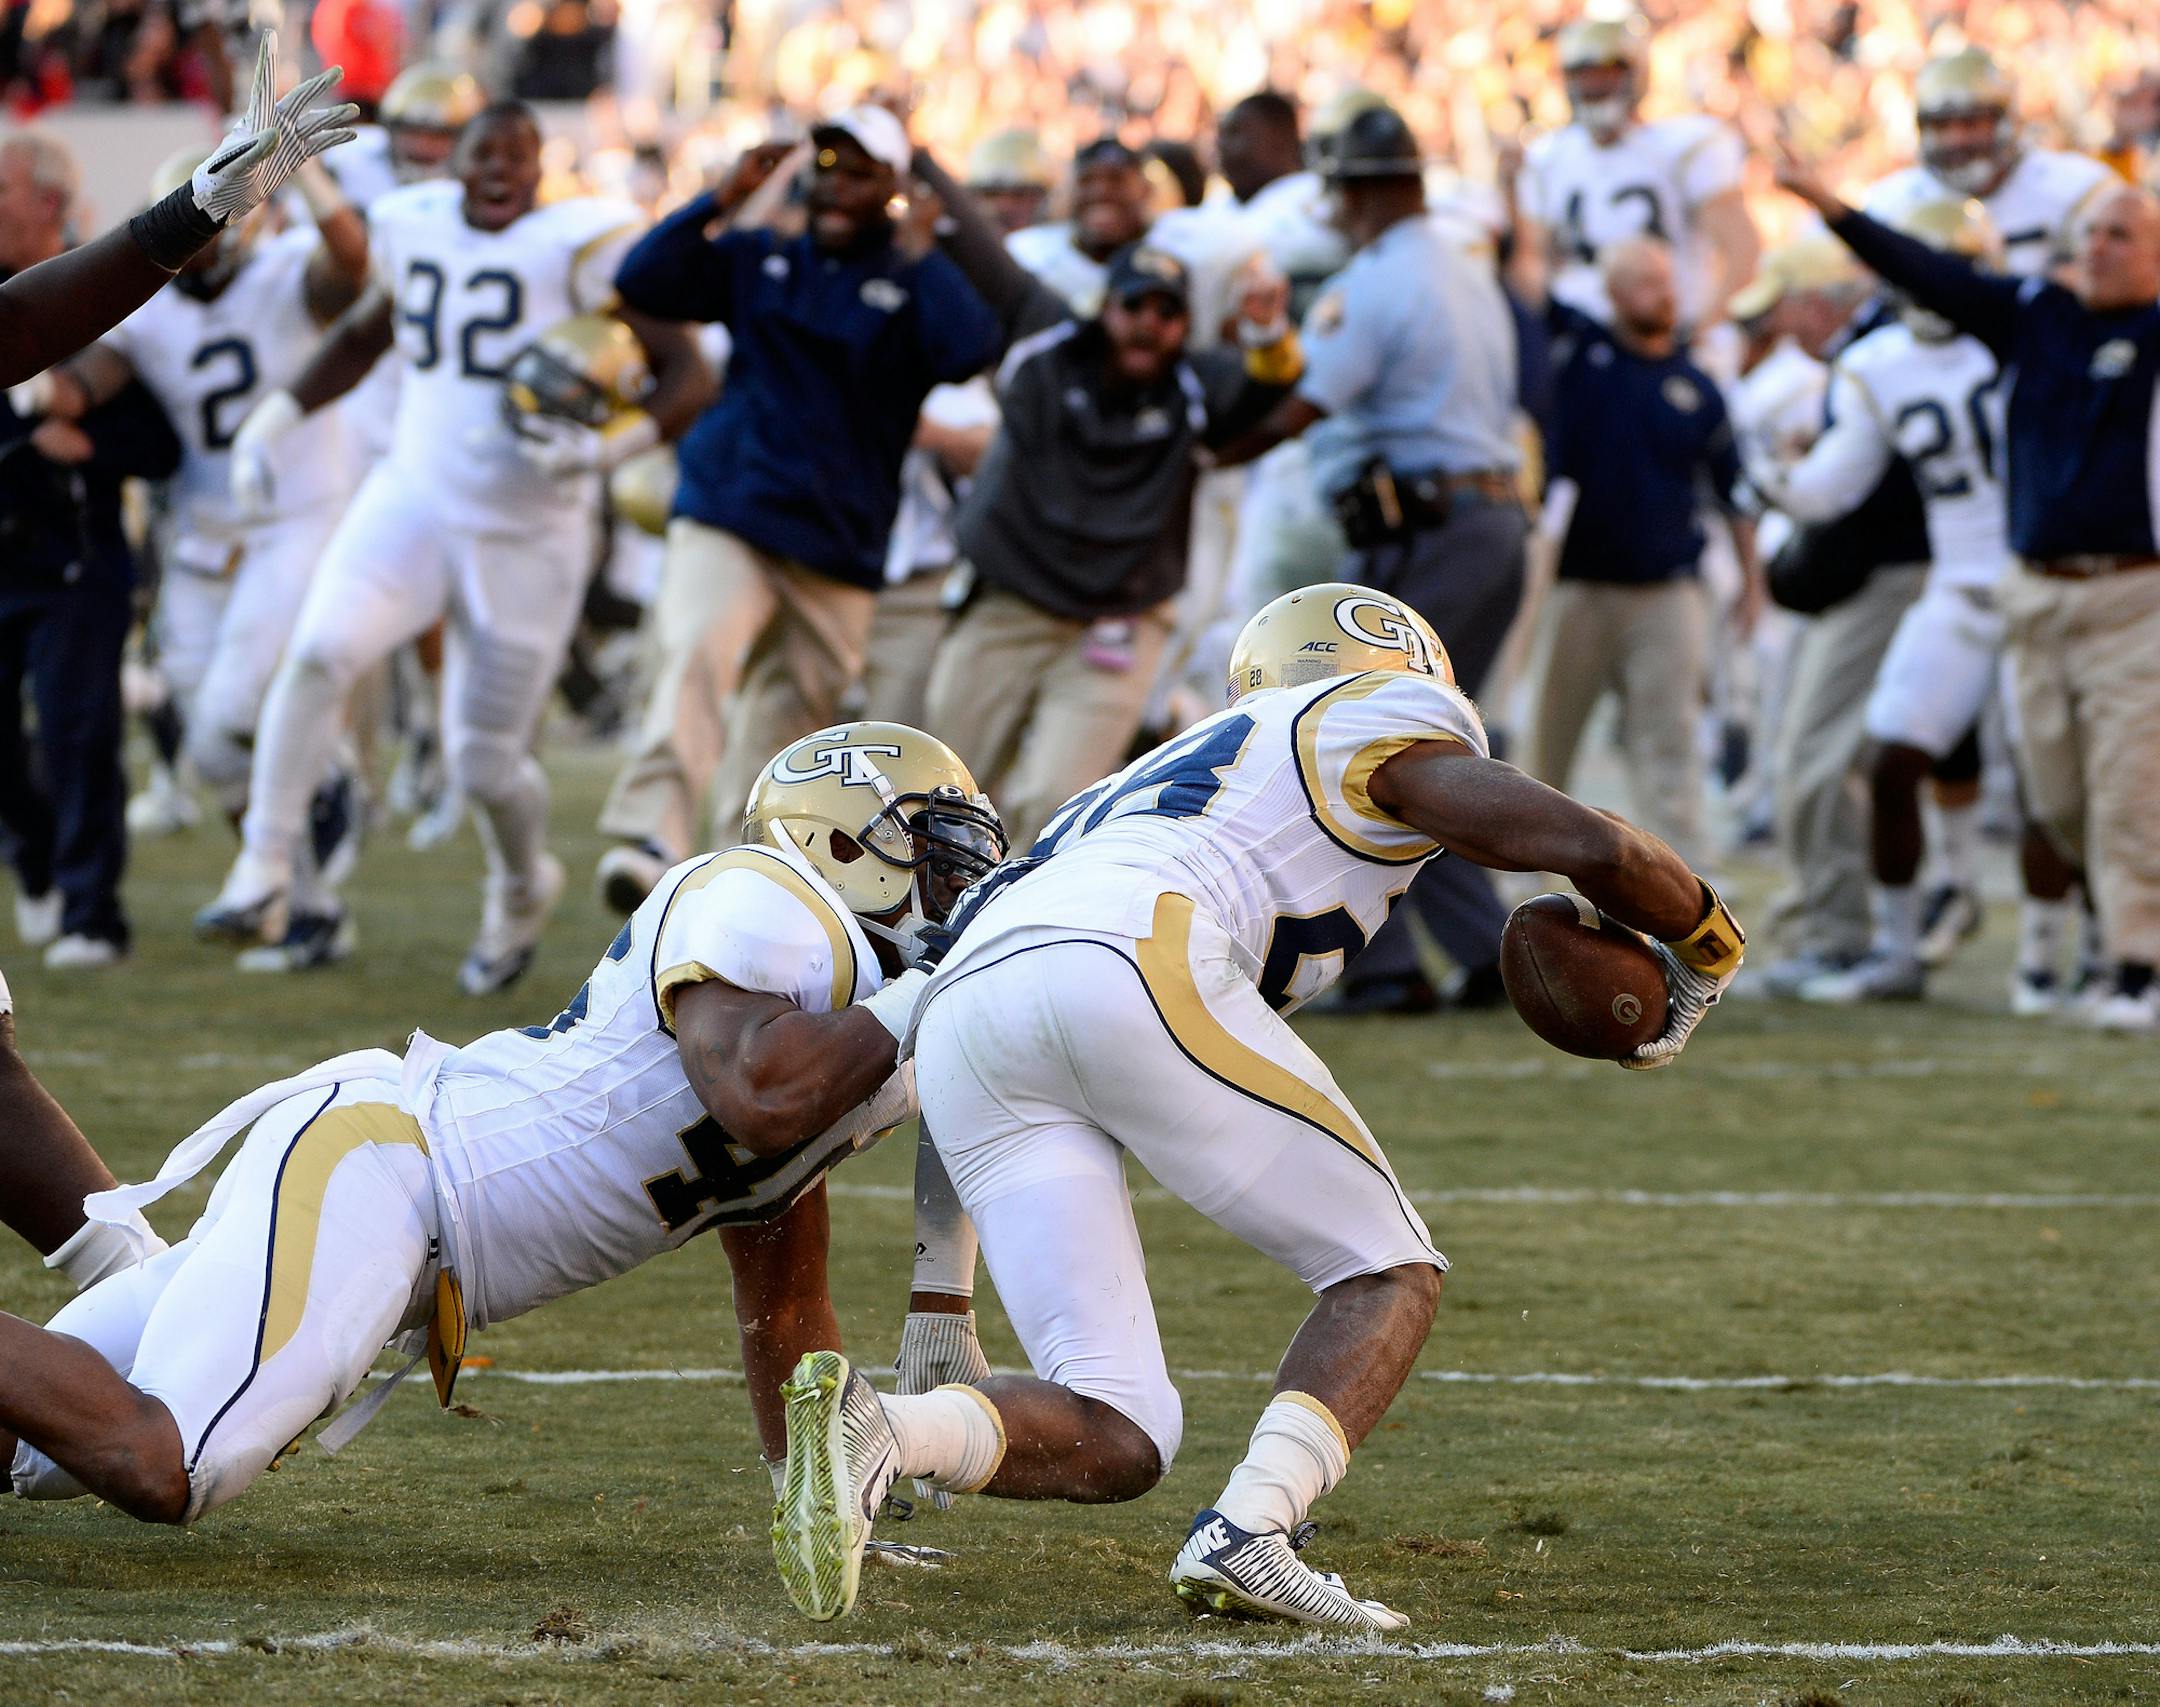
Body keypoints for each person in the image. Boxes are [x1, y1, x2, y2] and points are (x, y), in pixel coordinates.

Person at [768, 583, 1745, 1627]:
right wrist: (1702, 939)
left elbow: (1002, 993)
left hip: (969, 1014)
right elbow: (1588, 843)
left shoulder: (1129, 787)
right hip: (1134, 957)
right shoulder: (1366, 718)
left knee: (1119, 1428)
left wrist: (941, 1294)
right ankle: (1252, 1530)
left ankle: (882, 1432)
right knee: (1386, 1270)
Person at [2, 723, 1003, 1526]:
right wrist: (923, 994)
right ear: (837, 842)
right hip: (386, 1176)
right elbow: (760, 1094)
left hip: (397, 1206)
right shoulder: (769, 901)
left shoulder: (856, 1028)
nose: (956, 883)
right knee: (163, 1458)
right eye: (931, 846)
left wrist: (815, 1491)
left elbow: (782, 1268)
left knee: (38, 1448)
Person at [195, 102, 712, 991]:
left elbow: (691, 370)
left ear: (543, 169)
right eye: (485, 152)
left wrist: (606, 447)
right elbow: (365, 333)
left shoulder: (579, 247)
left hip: (529, 528)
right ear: (457, 164)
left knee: (482, 760)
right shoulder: (414, 224)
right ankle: (265, 865)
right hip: (415, 497)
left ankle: (520, 884)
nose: (501, 168)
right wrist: (271, 422)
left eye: (519, 154)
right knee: (320, 650)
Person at [1777, 138, 2160, 1031]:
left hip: (2132, 594)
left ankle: (2138, 964)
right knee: (2059, 798)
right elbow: (1928, 273)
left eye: (2120, 235)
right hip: (2029, 588)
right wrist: (1832, 206)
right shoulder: (2039, 315)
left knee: (2127, 787)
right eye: (2089, 234)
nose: (2095, 248)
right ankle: (2070, 939)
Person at [591, 111, 998, 913]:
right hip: (733, 509)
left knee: (788, 726)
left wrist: (921, 247)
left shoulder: (913, 278)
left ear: (892, 186)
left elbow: (969, 346)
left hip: (838, 543)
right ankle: (652, 832)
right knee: (698, 649)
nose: (837, 186)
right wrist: (718, 196)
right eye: (827, 167)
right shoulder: (761, 252)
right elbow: (644, 280)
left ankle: (737, 881)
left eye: (859, 172)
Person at [1212, 101, 1525, 1016]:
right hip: (1481, 521)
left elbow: (1303, 405)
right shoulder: (1466, 268)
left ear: (1356, 192)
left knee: (1375, 736)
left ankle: (1398, 967)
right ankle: (1478, 953)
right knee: (1432, 736)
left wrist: (1203, 452)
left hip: (1433, 526)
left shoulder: (1377, 279)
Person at [909, 147, 1302, 851]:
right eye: (1134, 305)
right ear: (1105, 306)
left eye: (1167, 311)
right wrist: (914, 155)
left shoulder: (1192, 385)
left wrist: (1272, 330)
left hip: (1116, 621)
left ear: (1186, 327)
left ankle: (1008, 947)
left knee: (1051, 808)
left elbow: (1275, 388)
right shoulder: (1045, 333)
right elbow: (975, 244)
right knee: (944, 790)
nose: (1149, 322)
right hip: (1011, 599)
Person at [41, 145, 369, 867]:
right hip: (200, 526)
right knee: (207, 748)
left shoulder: (286, 271)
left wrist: (306, 172)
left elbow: (353, 269)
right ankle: (290, 887)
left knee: (229, 715)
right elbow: (80, 384)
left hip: (294, 515)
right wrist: (33, 392)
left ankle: (327, 777)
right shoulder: (145, 311)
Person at [1746, 200, 2016, 1005]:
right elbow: (1835, 482)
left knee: (2056, 784)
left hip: (2009, 573)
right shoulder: (1883, 360)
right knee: (1897, 754)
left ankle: (2084, 952)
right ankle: (1889, 942)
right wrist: (1773, 479)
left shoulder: (2029, 337)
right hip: (1951, 580)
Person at [0, 132, 183, 970]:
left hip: (75, 558)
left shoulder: (104, 298)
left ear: (46, 201)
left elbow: (158, 439)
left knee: (79, 731)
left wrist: (90, 446)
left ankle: (91, 912)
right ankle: (34, 863)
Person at [1522, 236, 1758, 871]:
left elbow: (1733, 492)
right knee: (1547, 747)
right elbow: (1525, 275)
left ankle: (1690, 900)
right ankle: (1524, 897)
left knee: (1671, 746)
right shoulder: (1579, 354)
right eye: (1648, 282)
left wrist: (1753, 587)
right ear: (1615, 293)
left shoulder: (1696, 384)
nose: (1666, 292)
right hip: (1579, 587)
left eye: (1668, 278)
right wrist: (1518, 191)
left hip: (1668, 591)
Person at [0, 33, 356, 388]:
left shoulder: (280, 264)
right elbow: (29, 340)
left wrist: (196, 213)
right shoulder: (149, 312)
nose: (201, 256)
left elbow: (353, 272)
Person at [1517, 14, 1759, 334]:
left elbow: (1741, 248)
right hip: (1584, 341)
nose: (1595, 85)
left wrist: (1703, 327)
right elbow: (1533, 261)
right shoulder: (1547, 157)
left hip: (1665, 333)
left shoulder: (1685, 146)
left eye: (1607, 72)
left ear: (1636, 73)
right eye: (1584, 74)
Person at [1866, 47, 2114, 278]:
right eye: (1941, 126)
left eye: (1972, 123)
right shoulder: (1888, 202)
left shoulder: (2074, 186)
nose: (1957, 140)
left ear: (2006, 122)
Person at [1005, 137, 1155, 312]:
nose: (1101, 191)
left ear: (1145, 190)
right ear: (1067, 190)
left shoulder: (1170, 254)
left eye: (1116, 180)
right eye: (1087, 180)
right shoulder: (1027, 253)